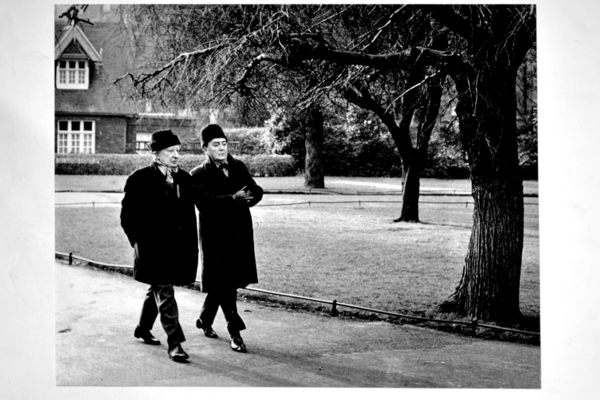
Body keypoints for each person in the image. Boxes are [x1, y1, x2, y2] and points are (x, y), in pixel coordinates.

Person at [120, 129, 199, 362]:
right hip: (151, 249)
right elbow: (127, 217)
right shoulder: (139, 178)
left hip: (175, 249)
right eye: (170, 151)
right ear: (156, 154)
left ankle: (142, 329)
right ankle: (175, 344)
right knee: (165, 291)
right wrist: (138, 242)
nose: (176, 155)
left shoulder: (185, 179)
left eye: (178, 151)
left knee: (157, 287)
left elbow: (188, 217)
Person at [190, 124, 263, 353]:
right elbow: (206, 203)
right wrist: (233, 198)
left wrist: (254, 194)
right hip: (215, 237)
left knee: (223, 281)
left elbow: (252, 188)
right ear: (205, 148)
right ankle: (235, 331)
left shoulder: (237, 166)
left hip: (239, 233)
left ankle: (204, 319)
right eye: (216, 145)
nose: (222, 148)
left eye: (224, 144)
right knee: (226, 282)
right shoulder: (198, 174)